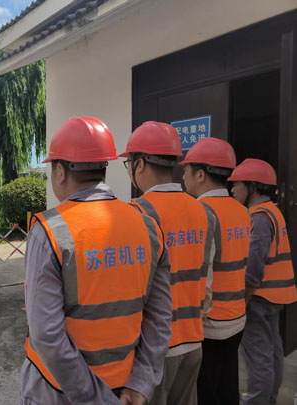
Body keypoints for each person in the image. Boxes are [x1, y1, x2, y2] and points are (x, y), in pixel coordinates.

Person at [21, 117, 173, 405]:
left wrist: (97, 398)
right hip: (125, 387)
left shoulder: (50, 231)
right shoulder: (148, 226)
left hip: (58, 392)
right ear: (103, 167)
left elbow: (46, 335)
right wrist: (141, 383)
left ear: (60, 171)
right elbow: (160, 318)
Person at [119, 121, 215, 405]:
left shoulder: (136, 213)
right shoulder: (203, 212)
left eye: (128, 163)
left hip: (154, 351)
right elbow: (206, 278)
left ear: (139, 165)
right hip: (193, 341)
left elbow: (131, 290)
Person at [180, 138, 250, 405]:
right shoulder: (242, 211)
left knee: (207, 391)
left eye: (186, 170)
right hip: (237, 316)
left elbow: (204, 272)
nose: (183, 177)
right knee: (228, 384)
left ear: (200, 174)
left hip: (211, 323)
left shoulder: (201, 213)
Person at [228, 158, 297, 404]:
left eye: (236, 184)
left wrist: (242, 301)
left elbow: (254, 267)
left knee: (258, 359)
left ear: (252, 187)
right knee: (273, 352)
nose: (232, 190)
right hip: (275, 296)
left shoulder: (258, 217)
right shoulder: (273, 212)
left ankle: (257, 400)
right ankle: (268, 399)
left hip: (259, 297)